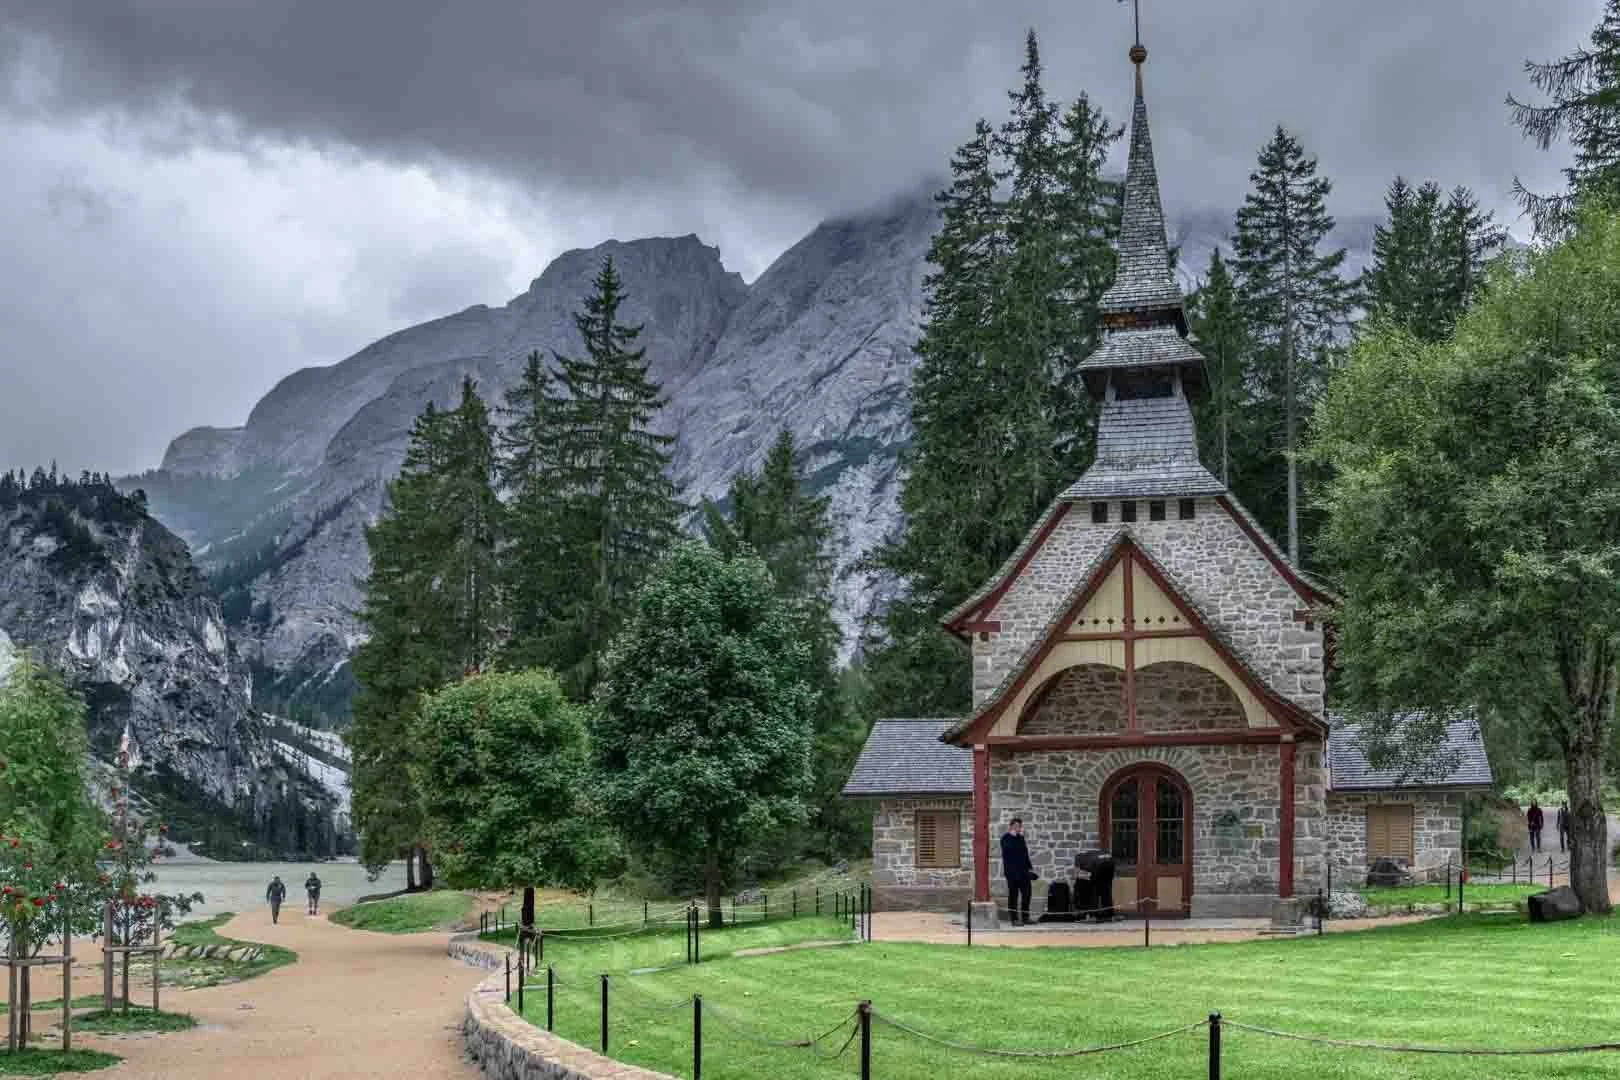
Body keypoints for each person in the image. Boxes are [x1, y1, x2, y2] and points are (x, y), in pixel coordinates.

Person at [999, 818, 1037, 926]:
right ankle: (1014, 919)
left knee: (1027, 895)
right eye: (1016, 826)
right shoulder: (1005, 838)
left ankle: (1025, 917)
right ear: (1011, 826)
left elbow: (1025, 853)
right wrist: (1013, 836)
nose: (1018, 828)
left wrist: (1030, 868)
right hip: (1012, 873)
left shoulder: (1021, 838)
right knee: (1013, 896)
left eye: (1019, 826)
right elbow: (1008, 850)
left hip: (1023, 872)